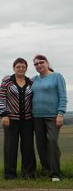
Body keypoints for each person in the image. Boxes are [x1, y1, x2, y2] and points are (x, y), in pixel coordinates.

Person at [0, 57, 36, 180]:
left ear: (26, 68)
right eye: (18, 66)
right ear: (14, 68)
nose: (21, 69)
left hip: (28, 120)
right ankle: (10, 175)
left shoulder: (31, 81)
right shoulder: (7, 81)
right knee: (10, 147)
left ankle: (29, 174)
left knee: (28, 147)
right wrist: (4, 114)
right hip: (11, 120)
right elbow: (1, 98)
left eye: (23, 67)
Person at [32, 54, 67, 182]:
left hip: (53, 116)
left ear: (47, 62)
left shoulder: (57, 76)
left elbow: (63, 96)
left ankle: (55, 173)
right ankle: (46, 170)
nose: (39, 65)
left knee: (52, 141)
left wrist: (60, 114)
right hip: (36, 116)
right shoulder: (34, 79)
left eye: (41, 62)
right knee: (41, 145)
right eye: (36, 64)